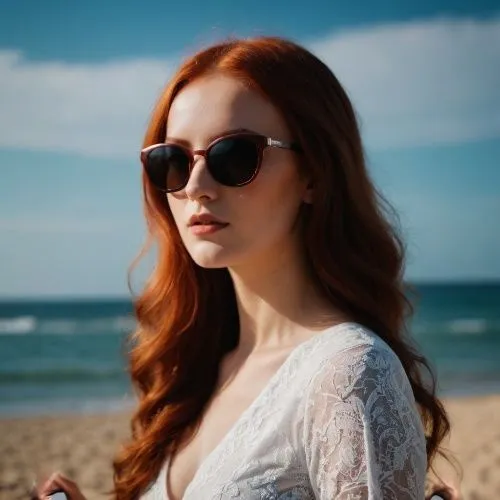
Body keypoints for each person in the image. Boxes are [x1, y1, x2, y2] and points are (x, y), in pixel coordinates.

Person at [37, 37, 457, 499]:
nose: (196, 186)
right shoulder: (198, 368)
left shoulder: (349, 375)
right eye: (172, 161)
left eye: (234, 156)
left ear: (314, 174)